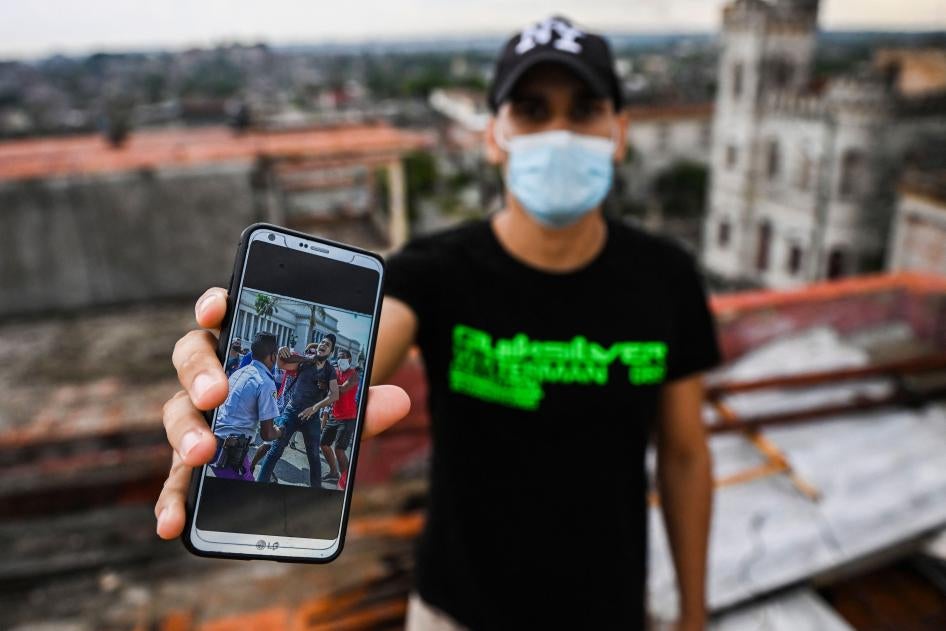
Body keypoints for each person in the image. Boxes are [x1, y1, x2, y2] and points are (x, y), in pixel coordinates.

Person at [155, 15, 721, 630]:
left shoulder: (666, 277)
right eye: (532, 110)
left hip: (609, 611)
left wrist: (694, 614)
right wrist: (221, 377)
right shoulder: (437, 270)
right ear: (494, 136)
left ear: (618, 132)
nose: (559, 132)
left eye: (584, 110)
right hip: (459, 610)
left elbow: (685, 455)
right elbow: (369, 346)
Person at [255, 334, 338, 487]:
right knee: (275, 450)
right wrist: (281, 351)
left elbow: (335, 394)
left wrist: (314, 408)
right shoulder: (305, 361)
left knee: (314, 457)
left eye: (327, 345)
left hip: (311, 418)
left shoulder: (330, 370)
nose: (323, 345)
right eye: (322, 342)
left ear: (330, 352)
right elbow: (281, 365)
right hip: (291, 411)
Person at [210, 332, 283, 481]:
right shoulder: (266, 382)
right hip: (228, 453)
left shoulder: (238, 373)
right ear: (273, 356)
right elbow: (267, 434)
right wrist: (281, 431)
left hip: (215, 444)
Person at [320, 348, 359, 489]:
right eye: (339, 357)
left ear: (349, 359)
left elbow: (342, 389)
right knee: (324, 444)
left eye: (343, 357)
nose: (340, 359)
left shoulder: (354, 374)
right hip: (334, 416)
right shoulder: (335, 372)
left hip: (348, 417)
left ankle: (346, 480)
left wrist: (328, 384)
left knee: (339, 449)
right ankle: (333, 472)